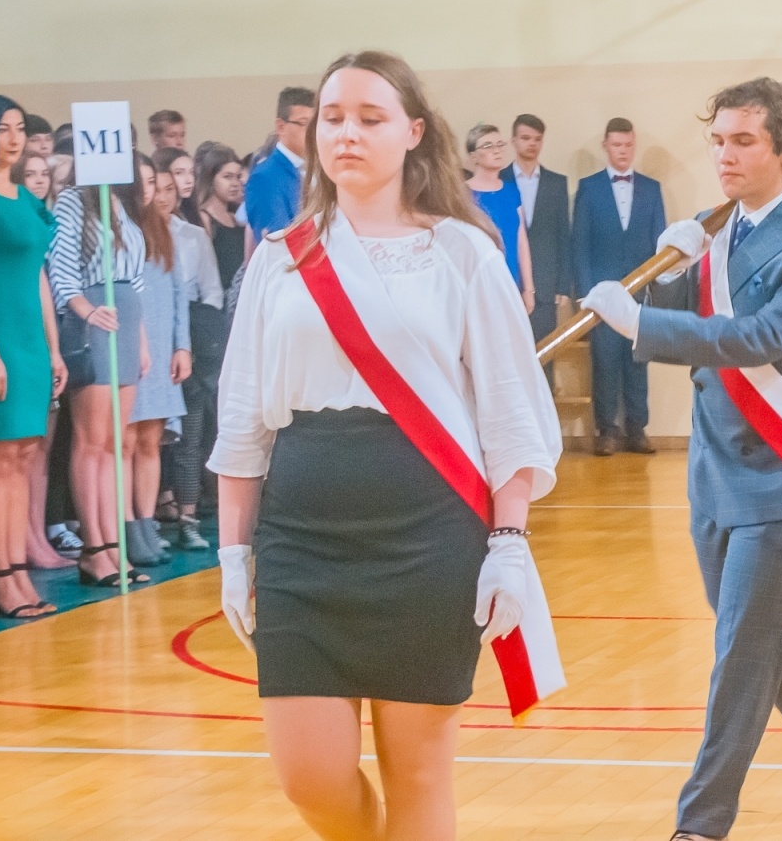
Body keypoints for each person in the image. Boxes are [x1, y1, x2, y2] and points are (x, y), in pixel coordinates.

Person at [210, 51, 560, 840]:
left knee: (420, 777)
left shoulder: (463, 253)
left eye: (370, 119)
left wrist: (507, 540)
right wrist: (234, 553)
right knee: (310, 780)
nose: (347, 134)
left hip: (430, 538)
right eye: (333, 118)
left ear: (413, 132)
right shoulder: (280, 258)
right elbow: (243, 423)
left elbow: (510, 414)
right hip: (302, 540)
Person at [582, 78, 782, 841]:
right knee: (757, 634)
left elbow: (758, 338)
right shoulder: (717, 226)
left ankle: (700, 825)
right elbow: (702, 310)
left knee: (739, 653)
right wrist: (671, 270)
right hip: (716, 468)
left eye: (743, 141)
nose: (724, 155)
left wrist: (641, 323)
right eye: (718, 140)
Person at [0, 97, 67, 617]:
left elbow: (37, 275)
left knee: (23, 456)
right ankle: (1, 576)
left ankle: (18, 573)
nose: (14, 138)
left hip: (32, 342)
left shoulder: (26, 199)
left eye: (19, 129)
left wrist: (54, 349)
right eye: (2, 130)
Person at [49, 158, 152, 588]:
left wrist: (142, 339)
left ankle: (114, 545)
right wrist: (87, 311)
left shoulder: (120, 204)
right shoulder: (72, 201)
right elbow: (62, 268)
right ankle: (93, 547)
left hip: (126, 319)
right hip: (94, 318)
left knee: (114, 441)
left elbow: (137, 276)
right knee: (91, 443)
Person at [572, 117, 665, 455]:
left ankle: (637, 429)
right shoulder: (589, 187)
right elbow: (579, 243)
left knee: (637, 360)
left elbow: (661, 245)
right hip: (601, 294)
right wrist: (584, 293)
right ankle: (606, 430)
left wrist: (658, 291)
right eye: (616, 145)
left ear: (633, 144)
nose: (622, 151)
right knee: (605, 361)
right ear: (605, 146)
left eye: (627, 145)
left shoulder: (652, 189)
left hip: (641, 294)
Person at [8, 152, 74, 572]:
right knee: (15, 456)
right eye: (28, 174)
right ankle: (18, 543)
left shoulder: (47, 222)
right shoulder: (14, 220)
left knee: (40, 451)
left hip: (43, 337)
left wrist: (54, 349)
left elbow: (47, 286)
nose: (38, 181)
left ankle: (35, 534)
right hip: (14, 333)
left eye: (43, 175)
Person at [155, 148, 222, 552]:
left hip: (190, 346)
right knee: (149, 443)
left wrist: (196, 344)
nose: (165, 196)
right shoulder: (136, 236)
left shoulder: (193, 236)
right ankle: (145, 520)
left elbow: (211, 292)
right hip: (151, 349)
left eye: (169, 188)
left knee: (191, 438)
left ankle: (188, 516)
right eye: (156, 187)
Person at [127, 155, 190, 565]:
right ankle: (127, 526)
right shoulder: (117, 231)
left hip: (162, 347)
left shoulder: (161, 230)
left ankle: (147, 523)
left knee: (150, 441)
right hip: (129, 344)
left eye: (153, 181)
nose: (150, 190)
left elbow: (178, 292)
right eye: (143, 181)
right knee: (125, 440)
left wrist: (182, 345)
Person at [505, 113, 572, 349]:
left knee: (545, 357)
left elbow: (564, 235)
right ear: (513, 140)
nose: (531, 144)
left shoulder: (556, 183)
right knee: (510, 353)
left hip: (546, 287)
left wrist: (563, 285)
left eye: (537, 139)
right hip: (507, 282)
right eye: (525, 138)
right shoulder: (499, 180)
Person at [464, 123, 536, 311]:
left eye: (499, 145)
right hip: (477, 284)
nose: (496, 151)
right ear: (473, 156)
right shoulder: (463, 194)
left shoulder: (511, 191)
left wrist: (528, 289)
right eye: (488, 146)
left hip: (511, 280)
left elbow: (522, 241)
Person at [242, 87, 314, 249]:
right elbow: (278, 242)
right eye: (304, 124)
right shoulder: (264, 178)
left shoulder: (324, 168)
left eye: (316, 124)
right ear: (281, 126)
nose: (313, 132)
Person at [196, 146, 247, 290]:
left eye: (238, 177)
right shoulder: (204, 217)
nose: (235, 183)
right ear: (211, 179)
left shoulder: (235, 218)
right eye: (227, 177)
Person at [152, 145, 199, 226]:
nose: (189, 180)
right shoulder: (157, 213)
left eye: (191, 172)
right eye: (179, 173)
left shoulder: (191, 209)